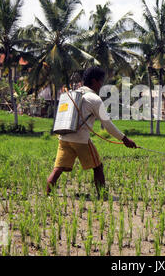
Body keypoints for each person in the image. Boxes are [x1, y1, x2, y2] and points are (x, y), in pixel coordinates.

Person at [46, 67, 137, 198]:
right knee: (98, 167)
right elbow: (108, 125)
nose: (101, 85)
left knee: (57, 169)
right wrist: (124, 139)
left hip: (64, 137)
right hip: (81, 140)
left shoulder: (70, 94)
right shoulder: (94, 99)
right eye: (101, 81)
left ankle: (47, 195)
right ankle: (103, 196)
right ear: (94, 81)